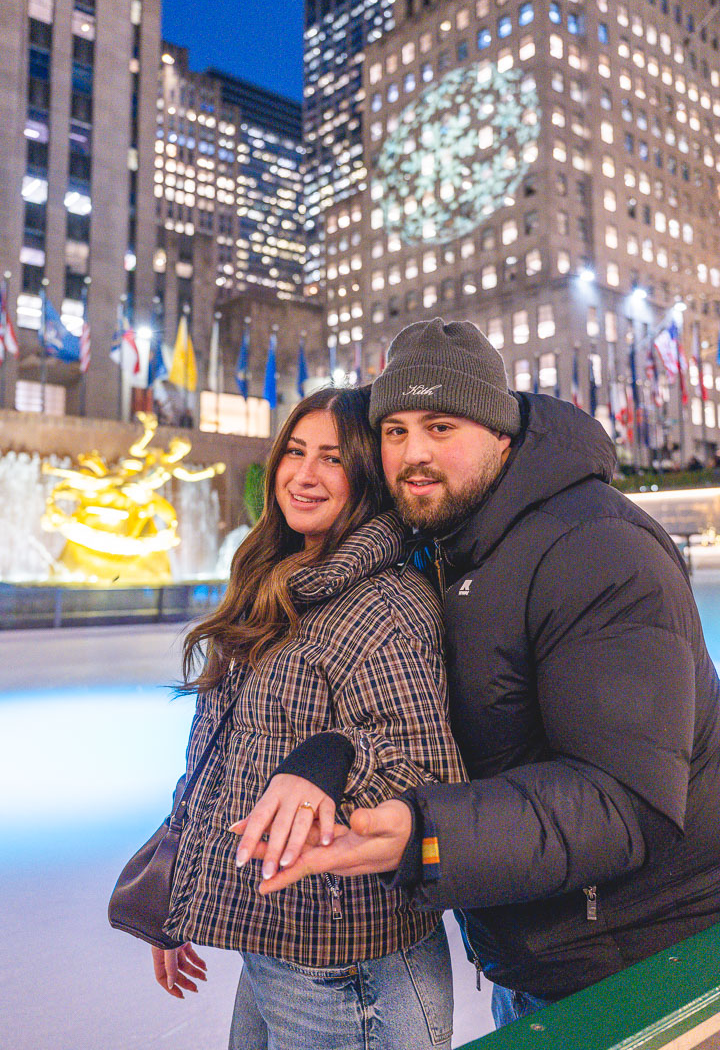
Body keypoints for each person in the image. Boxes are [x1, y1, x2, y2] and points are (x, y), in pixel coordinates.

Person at [238, 319, 720, 1029]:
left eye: (440, 425)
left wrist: (426, 835)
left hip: (651, 960)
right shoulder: (448, 547)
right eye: (395, 431)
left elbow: (624, 801)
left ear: (501, 432)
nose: (414, 454)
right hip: (543, 948)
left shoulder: (597, 548)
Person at [151, 385, 466, 1050]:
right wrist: (176, 890)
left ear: (366, 478)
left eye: (332, 458)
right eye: (295, 452)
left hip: (350, 969)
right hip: (271, 940)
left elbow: (427, 769)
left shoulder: (384, 605)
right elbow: (221, 753)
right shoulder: (277, 585)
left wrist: (331, 756)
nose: (304, 474)